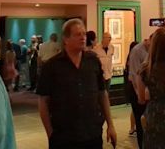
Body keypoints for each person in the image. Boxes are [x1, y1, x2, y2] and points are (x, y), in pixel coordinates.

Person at [37, 18, 116, 149]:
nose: (83, 38)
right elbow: (43, 101)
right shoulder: (52, 66)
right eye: (77, 34)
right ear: (66, 39)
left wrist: (110, 125)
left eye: (84, 34)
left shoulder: (93, 61)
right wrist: (50, 134)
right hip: (64, 137)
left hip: (92, 134)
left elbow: (102, 94)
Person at [129, 37, 150, 148]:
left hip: (147, 92)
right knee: (140, 120)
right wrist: (139, 94)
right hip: (137, 90)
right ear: (147, 40)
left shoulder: (150, 50)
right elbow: (135, 75)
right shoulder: (137, 51)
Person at [124, 41, 138, 137]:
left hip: (133, 86)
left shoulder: (130, 58)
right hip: (133, 86)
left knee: (134, 109)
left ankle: (133, 127)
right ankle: (133, 127)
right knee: (135, 109)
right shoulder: (131, 59)